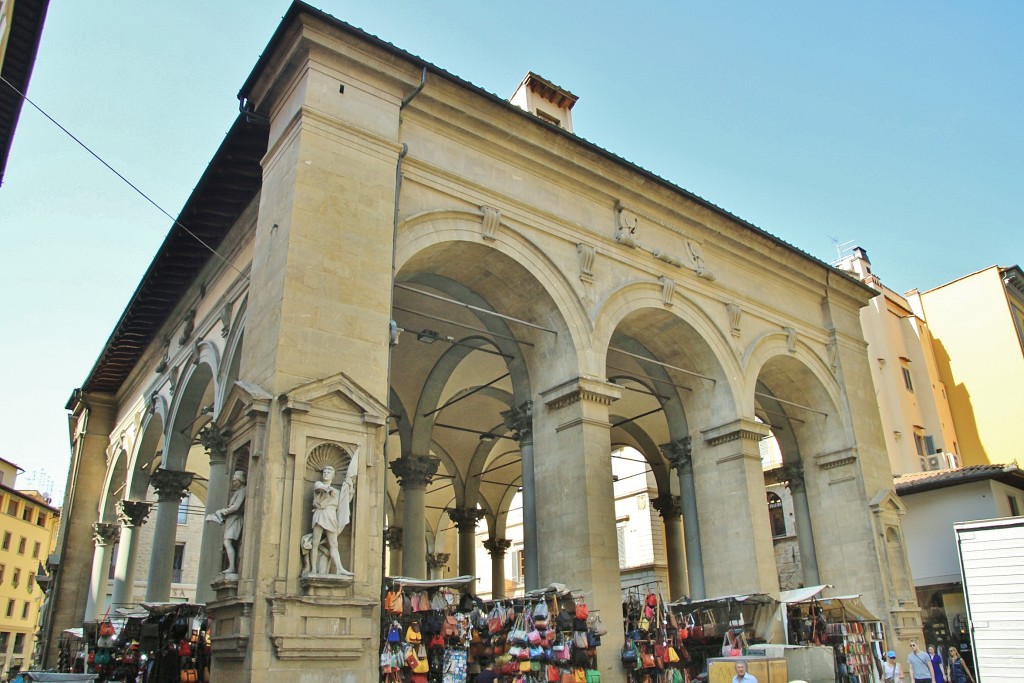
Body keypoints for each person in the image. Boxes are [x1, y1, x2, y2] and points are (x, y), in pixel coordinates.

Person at [205, 470, 246, 574]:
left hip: (236, 518)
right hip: (231, 518)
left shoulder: (243, 491)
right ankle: (231, 566)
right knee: (227, 542)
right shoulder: (238, 492)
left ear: (240, 480)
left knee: (227, 542)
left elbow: (236, 507)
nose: (234, 483)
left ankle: (232, 567)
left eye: (235, 480)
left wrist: (224, 511)